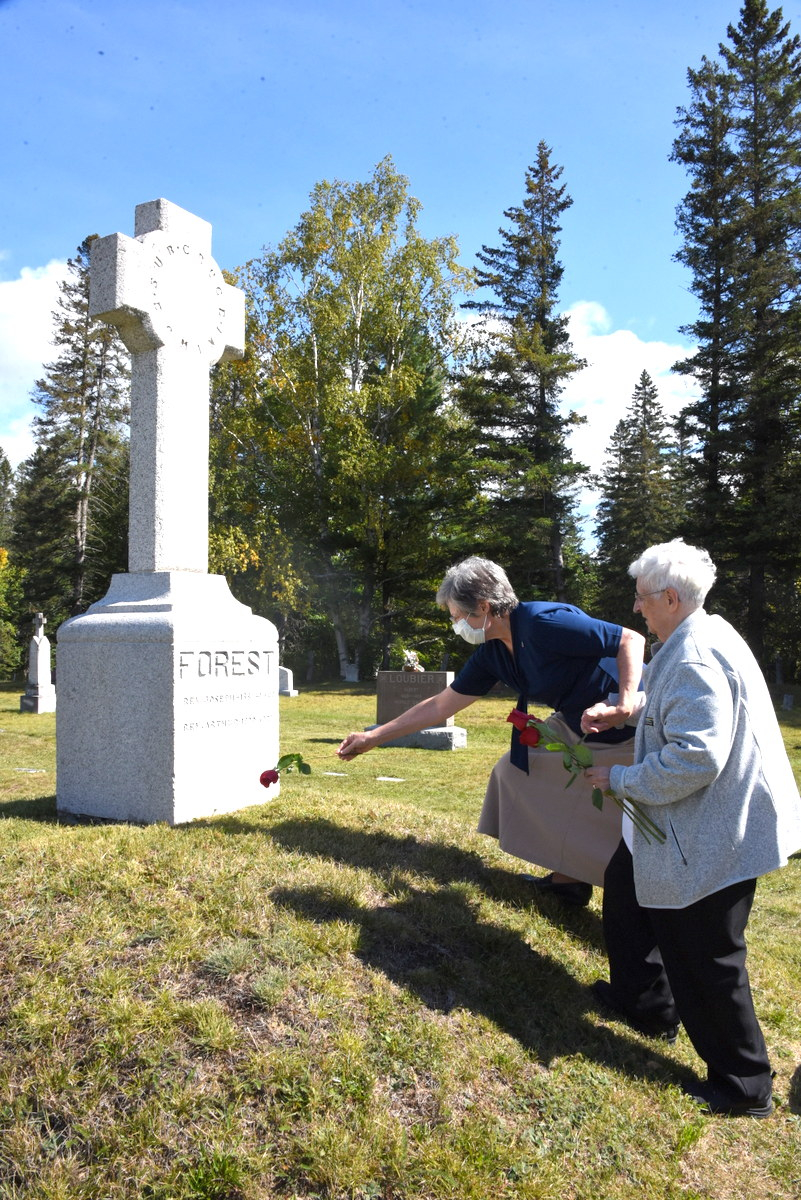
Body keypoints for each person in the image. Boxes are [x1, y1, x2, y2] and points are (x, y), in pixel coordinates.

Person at [583, 539, 801, 1118]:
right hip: (687, 826)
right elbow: (666, 693)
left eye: (642, 598)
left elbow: (695, 759)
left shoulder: (698, 654)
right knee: (627, 892)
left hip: (715, 832)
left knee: (706, 953)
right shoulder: (692, 635)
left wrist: (622, 777)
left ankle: (743, 1084)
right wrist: (626, 710)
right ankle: (645, 1005)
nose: (636, 608)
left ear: (671, 598)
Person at [337, 556, 645, 906]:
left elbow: (629, 640)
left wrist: (624, 703)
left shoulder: (543, 622)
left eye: (457, 616)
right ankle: (569, 880)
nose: (456, 626)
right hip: (578, 723)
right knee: (515, 771)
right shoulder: (492, 653)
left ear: (483, 606)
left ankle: (627, 887)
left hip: (629, 724)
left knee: (613, 805)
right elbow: (440, 705)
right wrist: (372, 738)